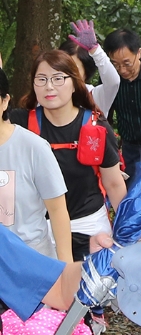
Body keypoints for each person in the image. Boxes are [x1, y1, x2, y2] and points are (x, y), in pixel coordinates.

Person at [10, 50, 126, 261]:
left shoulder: (97, 128)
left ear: (75, 83)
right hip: (36, 231)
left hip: (88, 229)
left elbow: (114, 184)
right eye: (42, 79)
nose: (49, 86)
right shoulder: (19, 124)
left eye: (58, 79)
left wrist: (130, 230)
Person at [0, 67, 72, 262]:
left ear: (5, 101)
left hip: (29, 262)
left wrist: (65, 270)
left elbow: (57, 211)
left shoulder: (33, 147)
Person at [104, 28, 141, 182]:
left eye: (127, 63)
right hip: (129, 150)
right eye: (115, 64)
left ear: (138, 53)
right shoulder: (110, 81)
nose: (122, 70)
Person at [59, 19, 120, 117]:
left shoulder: (94, 96)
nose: (67, 73)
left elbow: (113, 82)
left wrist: (94, 49)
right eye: (63, 67)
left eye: (74, 69)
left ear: (86, 72)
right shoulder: (49, 92)